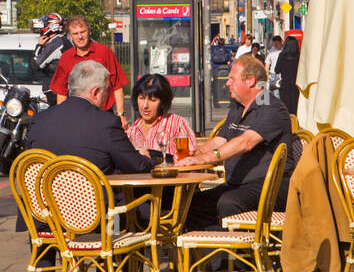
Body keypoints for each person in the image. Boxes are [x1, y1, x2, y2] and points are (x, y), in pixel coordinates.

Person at [24, 60, 154, 272]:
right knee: (120, 211)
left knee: (47, 204)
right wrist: (147, 158)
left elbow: (30, 165)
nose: (106, 97)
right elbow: (135, 165)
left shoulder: (40, 120)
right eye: (105, 91)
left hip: (46, 216)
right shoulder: (105, 123)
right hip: (93, 218)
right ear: (95, 92)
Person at [179, 55, 301, 229]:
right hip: (238, 185)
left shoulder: (272, 108)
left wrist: (205, 159)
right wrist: (196, 153)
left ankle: (241, 255)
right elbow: (221, 140)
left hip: (271, 186)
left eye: (232, 79)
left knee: (228, 202)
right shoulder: (238, 107)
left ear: (251, 81)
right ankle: (213, 253)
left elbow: (246, 142)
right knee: (192, 204)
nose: (227, 83)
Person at [49, 15, 128, 126]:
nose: (80, 37)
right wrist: (62, 118)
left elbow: (117, 85)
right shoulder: (66, 57)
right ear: (70, 36)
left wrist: (121, 114)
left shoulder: (104, 52)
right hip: (76, 118)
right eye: (75, 34)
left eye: (82, 32)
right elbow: (61, 92)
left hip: (104, 115)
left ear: (89, 32)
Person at [124, 73, 197, 158]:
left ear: (163, 102)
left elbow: (188, 159)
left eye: (153, 100)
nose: (145, 106)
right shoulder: (132, 131)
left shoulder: (177, 124)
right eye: (141, 98)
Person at [33, 12, 71, 82]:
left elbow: (37, 65)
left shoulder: (57, 42)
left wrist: (39, 46)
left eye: (44, 24)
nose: (42, 27)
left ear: (51, 25)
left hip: (57, 89)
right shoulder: (60, 40)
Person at [275, 33, 300, 114]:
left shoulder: (282, 56)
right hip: (296, 85)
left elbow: (277, 69)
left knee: (286, 108)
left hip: (285, 85)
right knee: (295, 107)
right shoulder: (299, 56)